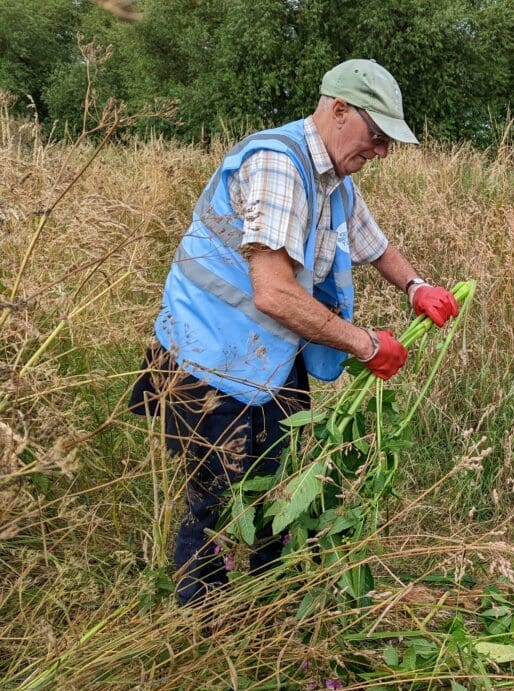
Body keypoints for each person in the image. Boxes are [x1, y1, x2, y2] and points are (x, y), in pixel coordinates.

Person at [130, 60, 458, 605]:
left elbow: (371, 242)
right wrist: (366, 344)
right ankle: (198, 629)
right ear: (338, 110)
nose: (380, 152)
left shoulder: (333, 178)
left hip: (265, 361)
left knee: (275, 497)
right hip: (207, 360)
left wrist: (416, 286)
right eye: (376, 136)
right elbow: (273, 293)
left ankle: (266, 616)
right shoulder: (279, 166)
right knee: (215, 507)